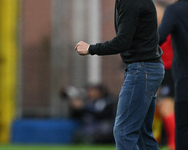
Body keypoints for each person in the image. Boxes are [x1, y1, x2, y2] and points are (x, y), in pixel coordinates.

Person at [74, 0, 165, 149]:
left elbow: (122, 42)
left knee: (124, 131)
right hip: (147, 68)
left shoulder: (130, 2)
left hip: (142, 69)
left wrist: (90, 48)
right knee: (142, 133)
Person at [158, 0, 188, 149]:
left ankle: (173, 143)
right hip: (170, 72)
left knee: (175, 114)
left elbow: (159, 38)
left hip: (176, 73)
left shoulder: (174, 13)